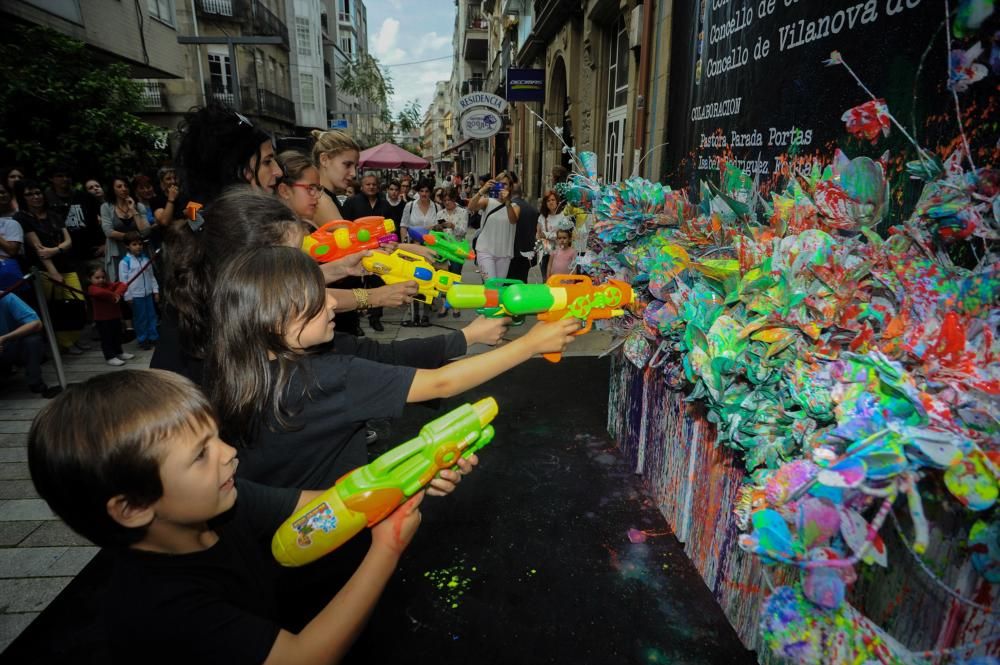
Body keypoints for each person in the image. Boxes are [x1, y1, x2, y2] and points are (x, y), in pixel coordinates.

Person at [27, 369, 424, 663]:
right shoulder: (161, 606)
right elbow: (306, 657)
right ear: (132, 508)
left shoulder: (225, 502)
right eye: (201, 455)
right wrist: (387, 548)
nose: (229, 452)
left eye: (216, 437)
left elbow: (323, 504)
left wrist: (402, 482)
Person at [207, 245, 577, 492]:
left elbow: (387, 359)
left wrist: (468, 336)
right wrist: (532, 344)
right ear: (274, 320)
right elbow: (441, 383)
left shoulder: (246, 370)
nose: (334, 305)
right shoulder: (328, 376)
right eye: (317, 301)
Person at [153, 188, 415, 385]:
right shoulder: (224, 341)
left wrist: (340, 269)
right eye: (289, 258)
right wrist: (370, 296)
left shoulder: (218, 292)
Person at [15, 179, 87, 353]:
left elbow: (68, 241)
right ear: (22, 198)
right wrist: (53, 271)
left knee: (77, 302)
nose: (35, 197)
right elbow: (39, 249)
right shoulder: (22, 218)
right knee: (57, 307)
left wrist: (55, 250)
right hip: (44, 270)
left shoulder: (53, 213)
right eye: (30, 194)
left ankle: (74, 339)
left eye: (38, 193)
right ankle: (64, 345)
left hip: (66, 263)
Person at [175, 104, 284, 205]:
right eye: (267, 162)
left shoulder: (198, 214)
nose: (279, 172)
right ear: (234, 170)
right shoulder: (215, 221)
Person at [341, 173, 392, 333]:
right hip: (356, 251)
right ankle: (354, 323)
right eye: (368, 184)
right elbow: (344, 226)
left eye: (374, 184)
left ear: (378, 186)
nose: (371, 187)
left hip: (379, 250)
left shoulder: (384, 204)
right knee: (355, 285)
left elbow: (390, 226)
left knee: (378, 282)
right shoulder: (351, 202)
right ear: (362, 187)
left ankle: (375, 318)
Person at [0, 291, 60, 398]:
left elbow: (35, 323)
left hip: (10, 344)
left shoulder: (6, 297)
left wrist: (5, 338)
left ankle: (34, 380)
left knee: (32, 341)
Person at [400, 178, 441, 327]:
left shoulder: (436, 207)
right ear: (418, 191)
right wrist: (404, 244)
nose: (424, 194)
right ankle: (414, 313)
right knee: (414, 279)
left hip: (430, 249)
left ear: (430, 192)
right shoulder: (410, 206)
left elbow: (439, 228)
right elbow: (403, 225)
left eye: (427, 191)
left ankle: (426, 314)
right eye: (421, 191)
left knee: (429, 280)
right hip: (414, 248)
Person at [467, 172, 518, 281]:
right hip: (485, 250)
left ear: (510, 187)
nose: (502, 187)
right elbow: (471, 207)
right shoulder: (488, 201)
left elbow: (513, 220)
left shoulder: (515, 206)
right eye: (499, 184)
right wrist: (482, 190)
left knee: (497, 288)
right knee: (490, 285)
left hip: (504, 253)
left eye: (505, 184)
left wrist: (507, 202)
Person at [101, 176, 151, 281]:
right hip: (118, 251)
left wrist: (133, 210)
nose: (123, 189)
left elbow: (145, 231)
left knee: (143, 280)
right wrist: (132, 238)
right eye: (119, 186)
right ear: (113, 189)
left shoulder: (139, 206)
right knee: (122, 283)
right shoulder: (106, 207)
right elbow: (108, 231)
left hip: (139, 250)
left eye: (126, 186)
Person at [85, 263, 134, 366]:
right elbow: (99, 293)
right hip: (102, 319)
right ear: (90, 279)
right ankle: (110, 357)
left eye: (103, 277)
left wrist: (118, 293)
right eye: (97, 278)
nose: (101, 280)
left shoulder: (109, 285)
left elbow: (123, 285)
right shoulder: (91, 288)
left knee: (117, 336)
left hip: (115, 316)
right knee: (107, 338)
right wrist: (114, 294)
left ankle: (119, 352)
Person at [432, 186, 469, 318]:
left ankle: (455, 305)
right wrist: (438, 228)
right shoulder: (440, 214)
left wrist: (452, 226)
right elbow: (435, 233)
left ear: (454, 199)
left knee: (455, 276)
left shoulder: (462, 212)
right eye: (444, 200)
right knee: (443, 277)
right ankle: (444, 305)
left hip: (457, 249)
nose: (447, 202)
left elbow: (463, 231)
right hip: (442, 249)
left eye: (449, 199)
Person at [118, 231, 159, 350]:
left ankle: (153, 337)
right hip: (136, 295)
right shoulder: (125, 262)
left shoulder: (146, 259)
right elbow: (123, 282)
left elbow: (151, 276)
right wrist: (128, 296)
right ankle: (143, 339)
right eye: (134, 244)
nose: (138, 247)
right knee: (140, 318)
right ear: (127, 246)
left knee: (152, 316)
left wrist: (155, 290)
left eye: (140, 244)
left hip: (148, 293)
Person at [506, 173, 540, 283]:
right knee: (522, 280)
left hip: (511, 253)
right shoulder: (533, 210)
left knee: (508, 282)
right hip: (528, 253)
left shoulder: (510, 209)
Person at [535, 190, 567, 278]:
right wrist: (540, 237)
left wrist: (547, 235)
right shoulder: (542, 217)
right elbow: (538, 234)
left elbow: (563, 235)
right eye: (548, 201)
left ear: (557, 201)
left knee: (557, 278)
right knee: (545, 277)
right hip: (545, 252)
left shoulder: (562, 216)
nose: (551, 202)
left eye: (553, 200)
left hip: (558, 252)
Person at [0, 181, 25, 294]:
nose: (1, 195)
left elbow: (12, 250)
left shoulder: (13, 221)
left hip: (8, 272)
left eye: (3, 192)